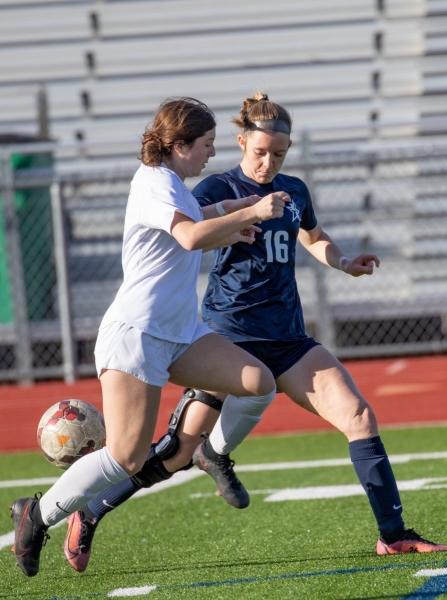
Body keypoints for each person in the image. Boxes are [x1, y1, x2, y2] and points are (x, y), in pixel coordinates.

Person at [63, 92, 447, 573]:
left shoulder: (293, 190)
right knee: (176, 451)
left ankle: (393, 536)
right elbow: (187, 236)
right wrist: (244, 214)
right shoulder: (212, 187)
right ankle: (92, 510)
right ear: (241, 142)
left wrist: (344, 261)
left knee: (359, 416)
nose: (269, 163)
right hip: (226, 338)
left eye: (279, 155)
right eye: (260, 152)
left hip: (287, 338)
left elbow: (312, 236)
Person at [10, 96, 296, 577]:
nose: (210, 154)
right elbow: (189, 236)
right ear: (179, 145)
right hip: (138, 334)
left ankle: (211, 451)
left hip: (180, 332)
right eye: (205, 145)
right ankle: (35, 516)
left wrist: (238, 206)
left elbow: (201, 214)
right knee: (126, 455)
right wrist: (253, 214)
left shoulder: (174, 184)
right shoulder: (154, 182)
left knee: (257, 381)